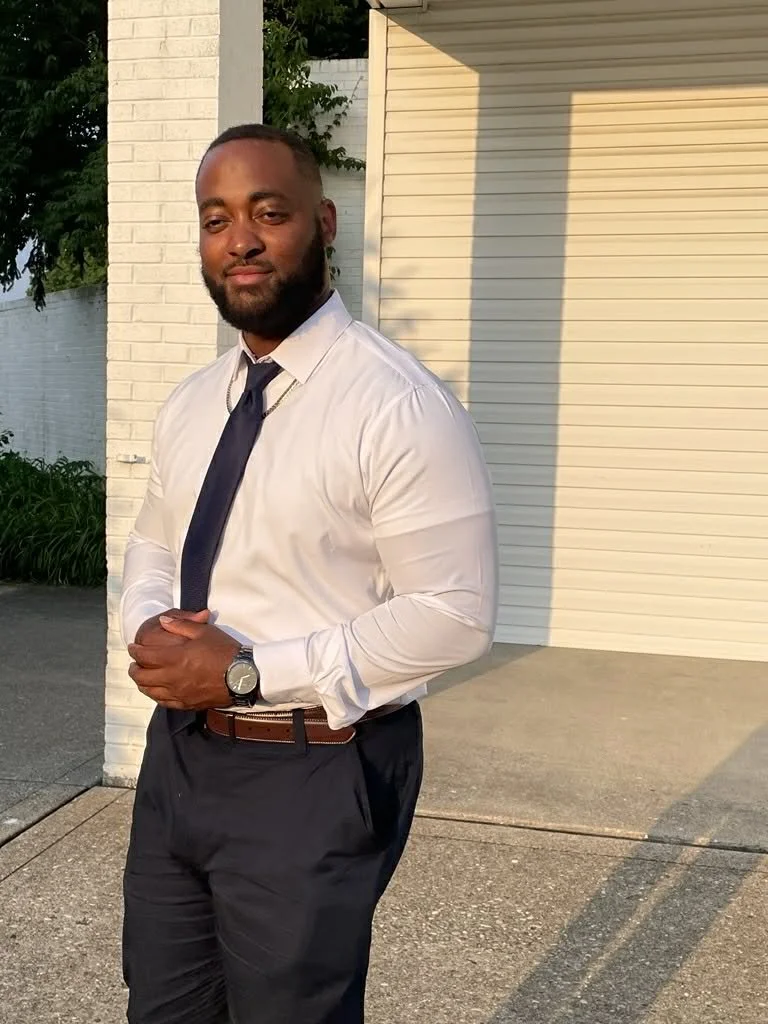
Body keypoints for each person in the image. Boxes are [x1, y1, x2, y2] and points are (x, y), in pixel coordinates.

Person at [120, 122, 498, 1024]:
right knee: (164, 1008)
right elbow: (153, 543)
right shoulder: (193, 401)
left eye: (268, 212)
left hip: (313, 769)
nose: (239, 239)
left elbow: (455, 612)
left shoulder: (397, 404)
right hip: (178, 762)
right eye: (216, 219)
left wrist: (246, 672)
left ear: (323, 223)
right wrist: (145, 625)